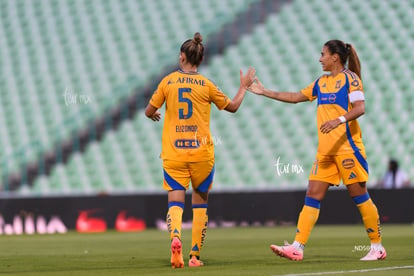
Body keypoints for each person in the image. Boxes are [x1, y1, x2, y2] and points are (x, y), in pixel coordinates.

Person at [248, 40, 386, 261]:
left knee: (359, 195)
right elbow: (294, 97)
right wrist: (265, 92)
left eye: (323, 54)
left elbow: (360, 108)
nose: (320, 58)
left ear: (335, 57)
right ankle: (297, 247)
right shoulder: (321, 82)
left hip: (347, 148)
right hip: (325, 151)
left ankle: (377, 247)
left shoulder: (351, 79)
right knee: (312, 194)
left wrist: (338, 120)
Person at [145, 32, 255, 268]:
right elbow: (233, 107)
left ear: (182, 57)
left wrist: (154, 113)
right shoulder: (207, 85)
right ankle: (194, 256)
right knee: (200, 203)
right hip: (201, 155)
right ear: (200, 60)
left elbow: (148, 110)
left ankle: (176, 238)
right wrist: (244, 86)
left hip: (174, 154)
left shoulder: (168, 82)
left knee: (175, 201)